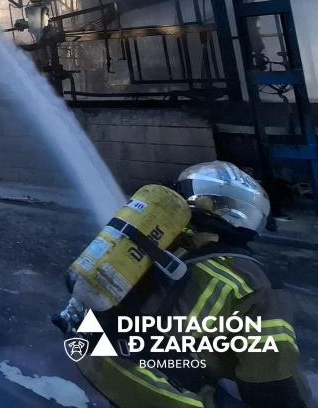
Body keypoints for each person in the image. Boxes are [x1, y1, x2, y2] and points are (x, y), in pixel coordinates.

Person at [73, 161, 310, 407]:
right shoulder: (254, 281)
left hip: (94, 358)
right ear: (241, 212)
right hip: (152, 387)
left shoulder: (154, 242)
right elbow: (270, 382)